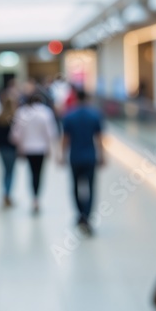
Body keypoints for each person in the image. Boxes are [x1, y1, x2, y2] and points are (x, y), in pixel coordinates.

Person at [60, 89, 104, 235]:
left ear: (76, 98)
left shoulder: (69, 115)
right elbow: (99, 137)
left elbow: (65, 138)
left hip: (75, 157)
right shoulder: (95, 115)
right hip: (90, 157)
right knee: (90, 187)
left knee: (75, 187)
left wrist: (62, 155)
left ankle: (80, 214)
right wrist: (102, 155)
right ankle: (87, 215)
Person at [10, 94, 58, 213]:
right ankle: (37, 197)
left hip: (28, 148)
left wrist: (20, 147)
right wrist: (50, 148)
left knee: (31, 172)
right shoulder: (46, 113)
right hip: (41, 148)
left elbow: (16, 133)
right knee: (39, 173)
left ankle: (34, 196)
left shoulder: (22, 113)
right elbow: (51, 133)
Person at [0, 94, 18, 208]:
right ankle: (7, 193)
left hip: (2, 148)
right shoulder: (14, 119)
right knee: (10, 172)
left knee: (5, 171)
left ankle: (5, 192)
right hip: (11, 149)